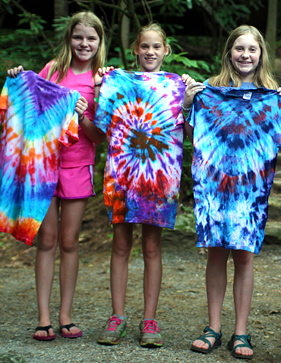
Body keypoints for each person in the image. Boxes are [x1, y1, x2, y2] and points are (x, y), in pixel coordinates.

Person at [187, 25, 281, 360]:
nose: (245, 55)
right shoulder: (208, 92)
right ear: (229, 52)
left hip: (252, 191)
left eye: (252, 49)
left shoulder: (274, 98)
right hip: (214, 187)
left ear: (261, 54)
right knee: (216, 253)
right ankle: (214, 327)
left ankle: (241, 331)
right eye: (239, 48)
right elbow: (188, 133)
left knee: (244, 256)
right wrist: (189, 100)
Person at [6, 11, 107, 341]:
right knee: (46, 240)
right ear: (69, 39)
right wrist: (19, 79)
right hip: (42, 165)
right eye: (78, 37)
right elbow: (28, 106)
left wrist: (82, 117)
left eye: (91, 38)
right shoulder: (52, 70)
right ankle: (44, 318)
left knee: (68, 241)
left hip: (78, 167)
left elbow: (99, 137)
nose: (84, 44)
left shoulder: (102, 80)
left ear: (99, 42)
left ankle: (65, 316)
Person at [94, 23, 191, 348]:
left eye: (156, 47)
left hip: (159, 180)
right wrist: (99, 87)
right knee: (120, 246)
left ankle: (150, 319)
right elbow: (101, 124)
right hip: (122, 174)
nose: (150, 52)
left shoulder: (178, 86)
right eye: (144, 46)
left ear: (166, 51)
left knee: (152, 248)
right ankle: (117, 315)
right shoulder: (115, 81)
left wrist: (191, 96)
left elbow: (192, 126)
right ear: (135, 49)